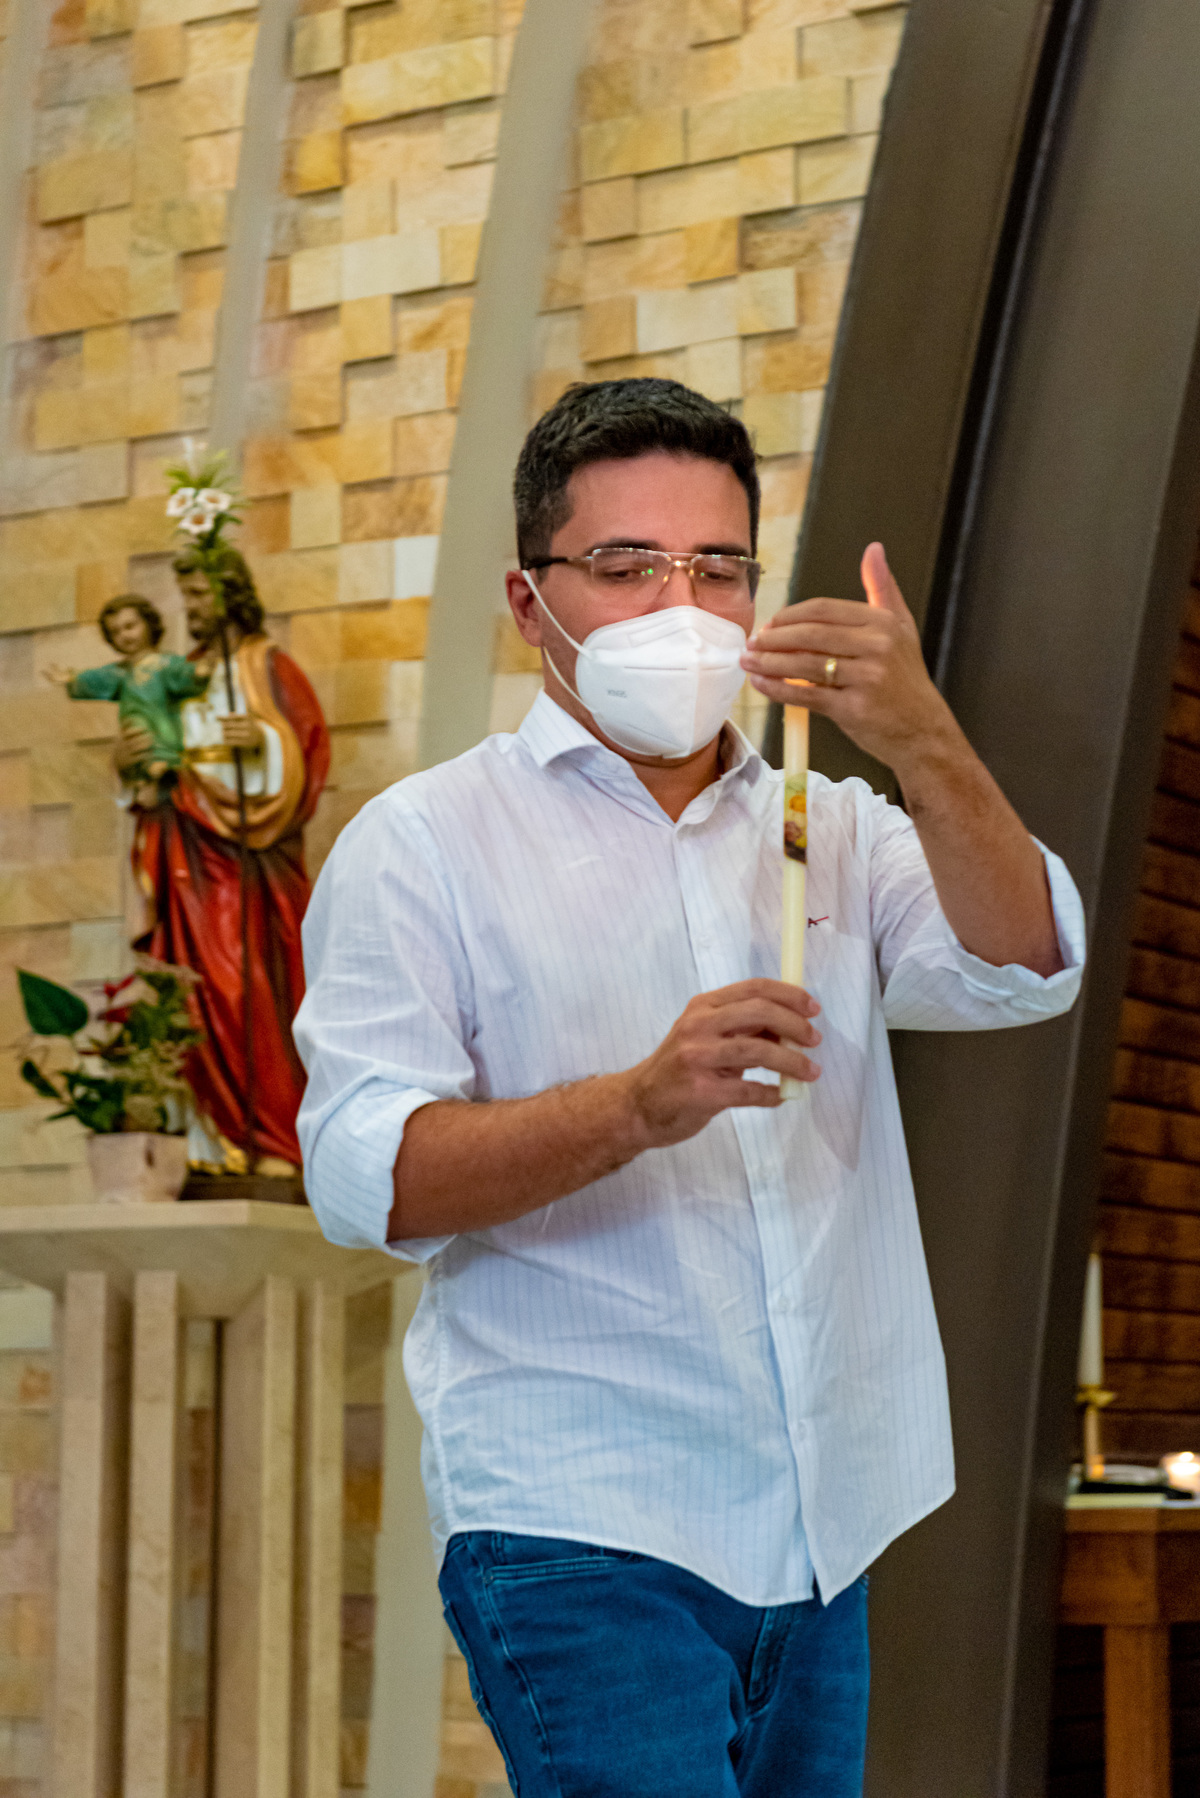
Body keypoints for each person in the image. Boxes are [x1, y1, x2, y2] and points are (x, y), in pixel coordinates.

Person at [294, 379, 1085, 1796]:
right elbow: (365, 1176)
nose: (682, 605)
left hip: (823, 1512)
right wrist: (639, 1102)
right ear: (529, 603)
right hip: (581, 1512)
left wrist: (923, 738)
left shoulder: (824, 818)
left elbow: (1026, 963)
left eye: (718, 566)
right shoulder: (424, 845)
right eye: (624, 566)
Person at [117, 545, 330, 1174]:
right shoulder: (173, 674)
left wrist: (261, 740)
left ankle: (271, 1140)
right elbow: (148, 771)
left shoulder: (267, 669)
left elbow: (309, 757)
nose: (192, 611)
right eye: (186, 600)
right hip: (184, 859)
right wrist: (132, 759)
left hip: (246, 869)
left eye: (202, 596)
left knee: (248, 990)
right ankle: (212, 1144)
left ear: (232, 593)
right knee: (190, 998)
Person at [46, 594, 209, 807]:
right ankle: (143, 779)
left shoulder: (164, 663)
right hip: (133, 727)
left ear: (149, 624)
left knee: (156, 742)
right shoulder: (120, 672)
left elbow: (182, 673)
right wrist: (73, 679)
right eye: (115, 631)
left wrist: (199, 672)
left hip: (160, 724)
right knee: (135, 743)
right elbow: (96, 679)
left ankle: (161, 770)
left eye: (130, 626)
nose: (124, 635)